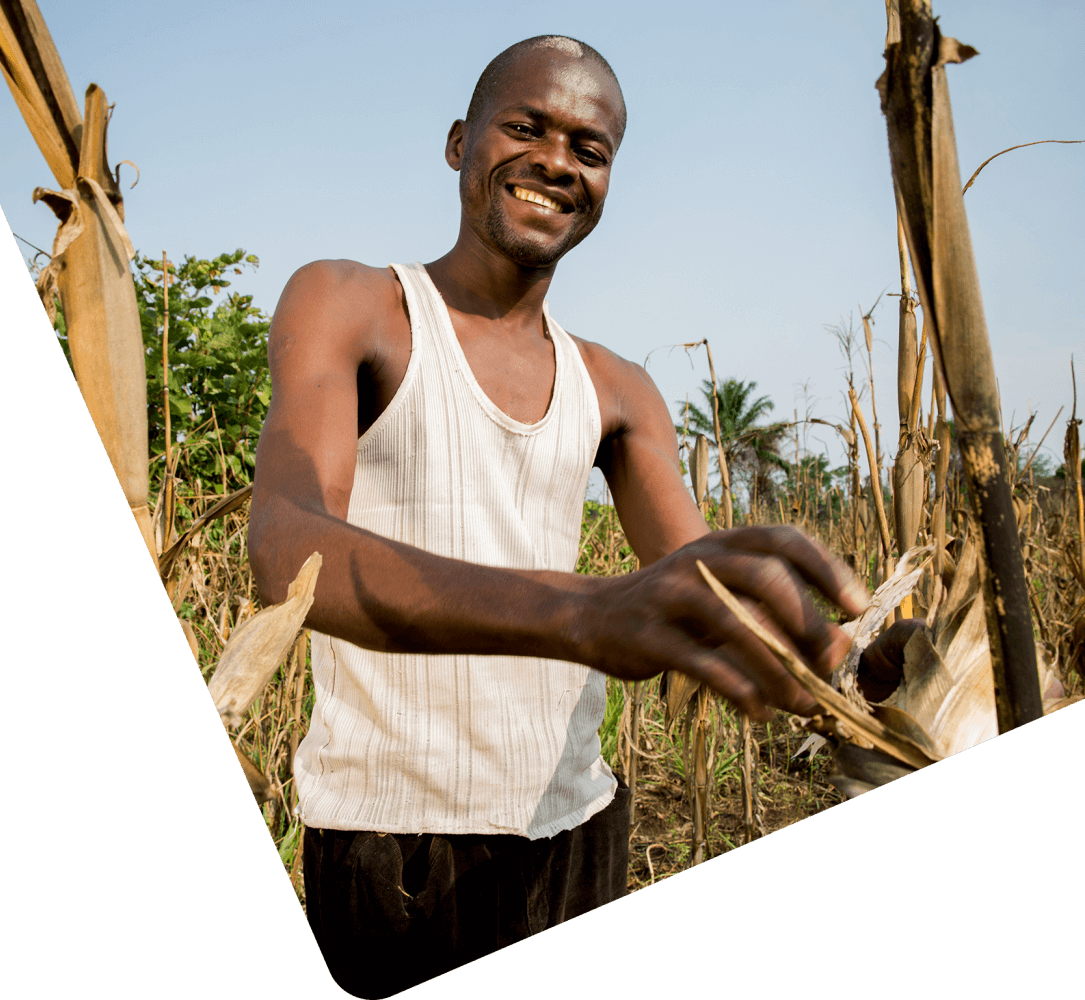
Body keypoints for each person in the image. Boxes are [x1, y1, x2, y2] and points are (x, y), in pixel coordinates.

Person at [248, 35, 871, 996]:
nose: (555, 161)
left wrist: (858, 659)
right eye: (526, 128)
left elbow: (706, 586)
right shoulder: (353, 304)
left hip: (575, 826)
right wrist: (582, 613)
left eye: (589, 148)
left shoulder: (617, 388)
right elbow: (288, 547)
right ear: (459, 143)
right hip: (393, 843)